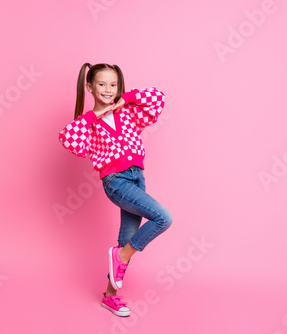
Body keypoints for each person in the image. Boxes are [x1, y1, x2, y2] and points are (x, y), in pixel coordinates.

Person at [58, 63, 173, 317]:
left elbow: (158, 97)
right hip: (116, 182)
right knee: (163, 218)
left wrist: (125, 98)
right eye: (101, 84)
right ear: (89, 86)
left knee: (126, 240)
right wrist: (94, 115)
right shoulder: (89, 125)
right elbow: (68, 137)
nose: (108, 90)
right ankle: (120, 256)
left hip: (137, 178)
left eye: (113, 85)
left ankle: (110, 296)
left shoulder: (129, 112)